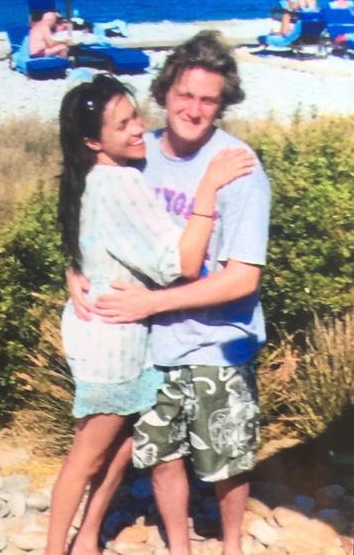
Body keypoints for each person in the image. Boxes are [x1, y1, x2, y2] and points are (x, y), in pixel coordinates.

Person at [68, 31, 271, 555]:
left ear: (223, 104)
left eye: (208, 100)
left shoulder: (238, 167)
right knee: (163, 457)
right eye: (185, 95)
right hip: (151, 343)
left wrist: (152, 302)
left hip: (217, 342)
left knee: (227, 460)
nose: (194, 109)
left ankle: (231, 545)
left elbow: (243, 278)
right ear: (164, 92)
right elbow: (94, 215)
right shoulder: (138, 153)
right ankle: (178, 547)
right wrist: (75, 270)